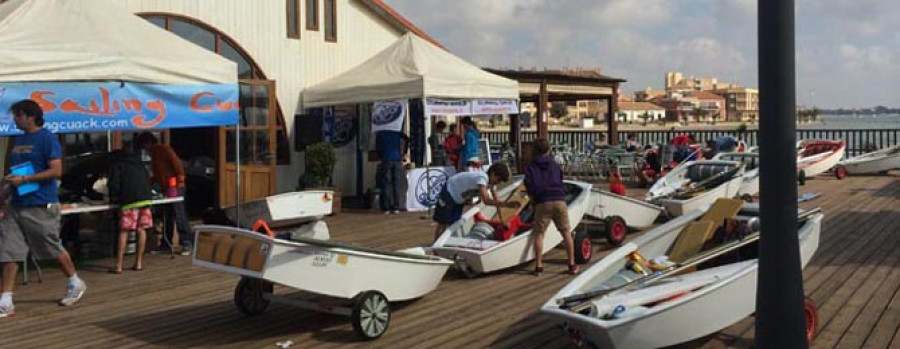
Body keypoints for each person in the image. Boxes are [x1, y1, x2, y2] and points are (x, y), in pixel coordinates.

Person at [0, 99, 87, 318]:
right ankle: (6, 300)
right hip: (16, 204)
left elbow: (56, 171)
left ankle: (75, 281)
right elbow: (13, 173)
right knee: (9, 250)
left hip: (40, 203)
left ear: (30, 116)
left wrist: (26, 178)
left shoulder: (47, 138)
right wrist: (5, 193)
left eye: (18, 115)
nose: (15, 120)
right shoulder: (17, 140)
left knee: (50, 247)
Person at [524, 138, 578, 275]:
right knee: (566, 232)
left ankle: (539, 266)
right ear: (548, 150)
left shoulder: (531, 167)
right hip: (560, 199)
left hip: (543, 201)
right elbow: (560, 180)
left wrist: (533, 202)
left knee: (539, 234)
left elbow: (529, 186)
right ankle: (571, 264)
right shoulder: (554, 164)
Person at [137, 132, 193, 255]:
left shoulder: (163, 149)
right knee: (167, 215)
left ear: (148, 142)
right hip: (165, 186)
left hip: (176, 185)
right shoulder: (154, 153)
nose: (145, 149)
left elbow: (177, 164)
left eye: (144, 145)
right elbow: (157, 172)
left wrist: (181, 180)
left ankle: (186, 243)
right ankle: (166, 243)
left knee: (179, 214)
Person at [432, 163, 517, 242]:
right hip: (449, 191)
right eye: (498, 180)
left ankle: (444, 244)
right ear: (493, 173)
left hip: (459, 198)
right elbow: (486, 201)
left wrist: (502, 221)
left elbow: (497, 201)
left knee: (453, 222)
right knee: (443, 222)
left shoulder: (491, 183)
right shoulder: (482, 178)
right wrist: (508, 204)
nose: (497, 183)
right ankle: (435, 246)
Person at [107, 148, 153, 274]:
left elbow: (114, 185)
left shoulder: (118, 165)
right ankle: (138, 263)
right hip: (145, 199)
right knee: (141, 229)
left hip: (129, 200)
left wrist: (114, 196)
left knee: (124, 231)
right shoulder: (140, 164)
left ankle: (119, 265)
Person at [375, 130, 405, 214]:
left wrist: (381, 156)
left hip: (386, 158)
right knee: (396, 183)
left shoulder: (380, 133)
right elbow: (405, 139)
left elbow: (378, 147)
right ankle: (396, 207)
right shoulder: (396, 132)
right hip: (396, 158)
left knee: (386, 183)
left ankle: (386, 207)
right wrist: (402, 154)